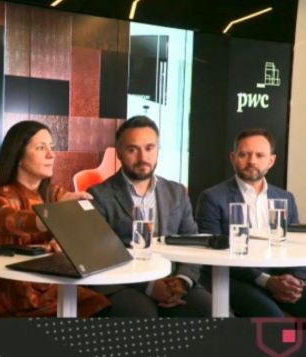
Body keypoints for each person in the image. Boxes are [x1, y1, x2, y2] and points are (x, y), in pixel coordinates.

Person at [0, 120, 110, 318]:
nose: (51, 154)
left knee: (101, 306)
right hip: (11, 295)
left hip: (51, 287)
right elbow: (18, 221)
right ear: (18, 156)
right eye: (41, 148)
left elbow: (86, 236)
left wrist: (64, 239)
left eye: (52, 147)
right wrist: (56, 214)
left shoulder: (53, 193)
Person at [88, 116, 212, 317]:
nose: (142, 157)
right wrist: (150, 286)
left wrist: (182, 280)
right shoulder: (99, 195)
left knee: (213, 311)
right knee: (144, 314)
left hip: (173, 279)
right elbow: (101, 256)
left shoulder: (177, 192)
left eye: (149, 148)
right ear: (119, 152)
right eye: (132, 149)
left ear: (157, 150)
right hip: (123, 283)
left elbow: (193, 244)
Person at [195, 128, 305, 316]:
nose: (252, 161)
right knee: (273, 318)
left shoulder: (285, 198)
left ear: (271, 161)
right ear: (233, 158)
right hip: (235, 278)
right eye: (244, 154)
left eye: (260, 155)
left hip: (281, 277)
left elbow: (297, 245)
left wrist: (296, 280)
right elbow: (212, 254)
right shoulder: (212, 198)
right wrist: (266, 281)